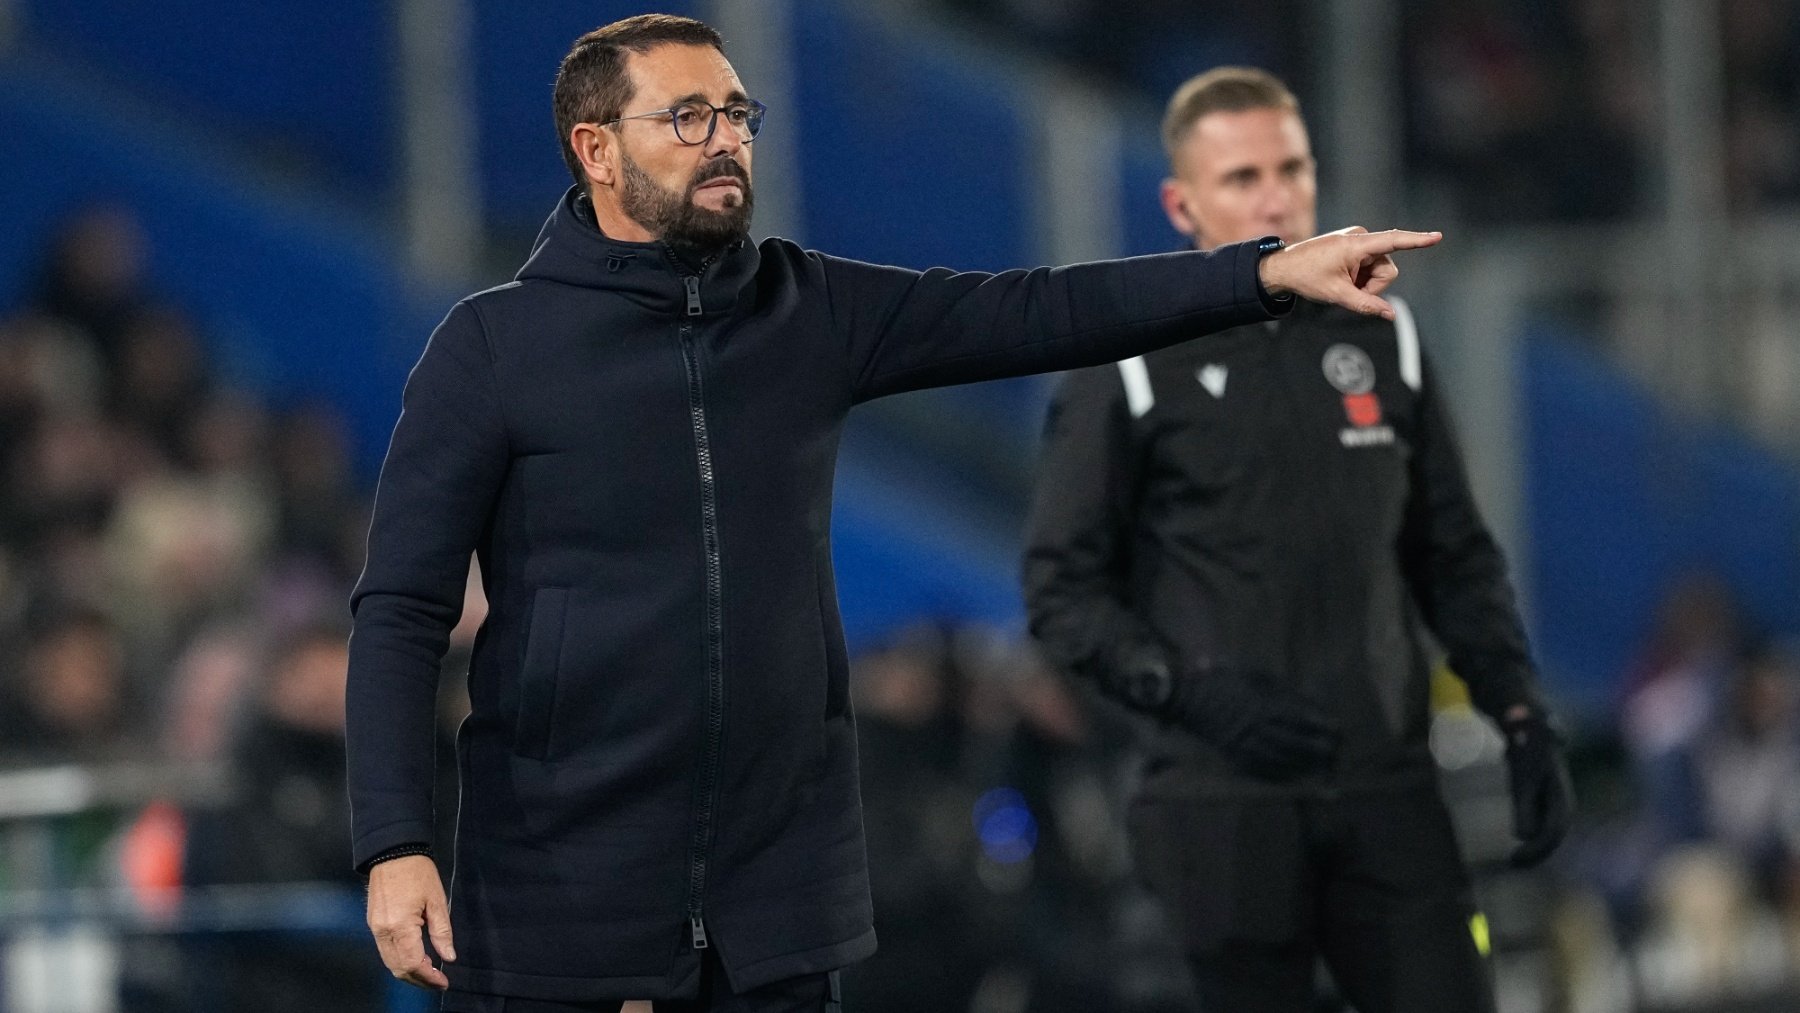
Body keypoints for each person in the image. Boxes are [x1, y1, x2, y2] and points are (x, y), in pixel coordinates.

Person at [347, 16, 1440, 1012]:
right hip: (560, 881)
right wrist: (394, 839)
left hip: (776, 894)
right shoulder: (493, 349)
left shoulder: (806, 310)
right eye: (689, 116)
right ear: (595, 150)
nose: (727, 138)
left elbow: (1042, 309)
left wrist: (1262, 274)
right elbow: (400, 607)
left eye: (738, 113)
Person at [1020, 67, 1571, 1012]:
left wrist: (1518, 711)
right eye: (1241, 177)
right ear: (1180, 203)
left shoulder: (1385, 337)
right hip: (1218, 804)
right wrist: (1191, 695)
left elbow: (1453, 555)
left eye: (1292, 168)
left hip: (1386, 787)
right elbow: (1060, 590)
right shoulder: (1129, 363)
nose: (1275, 195)